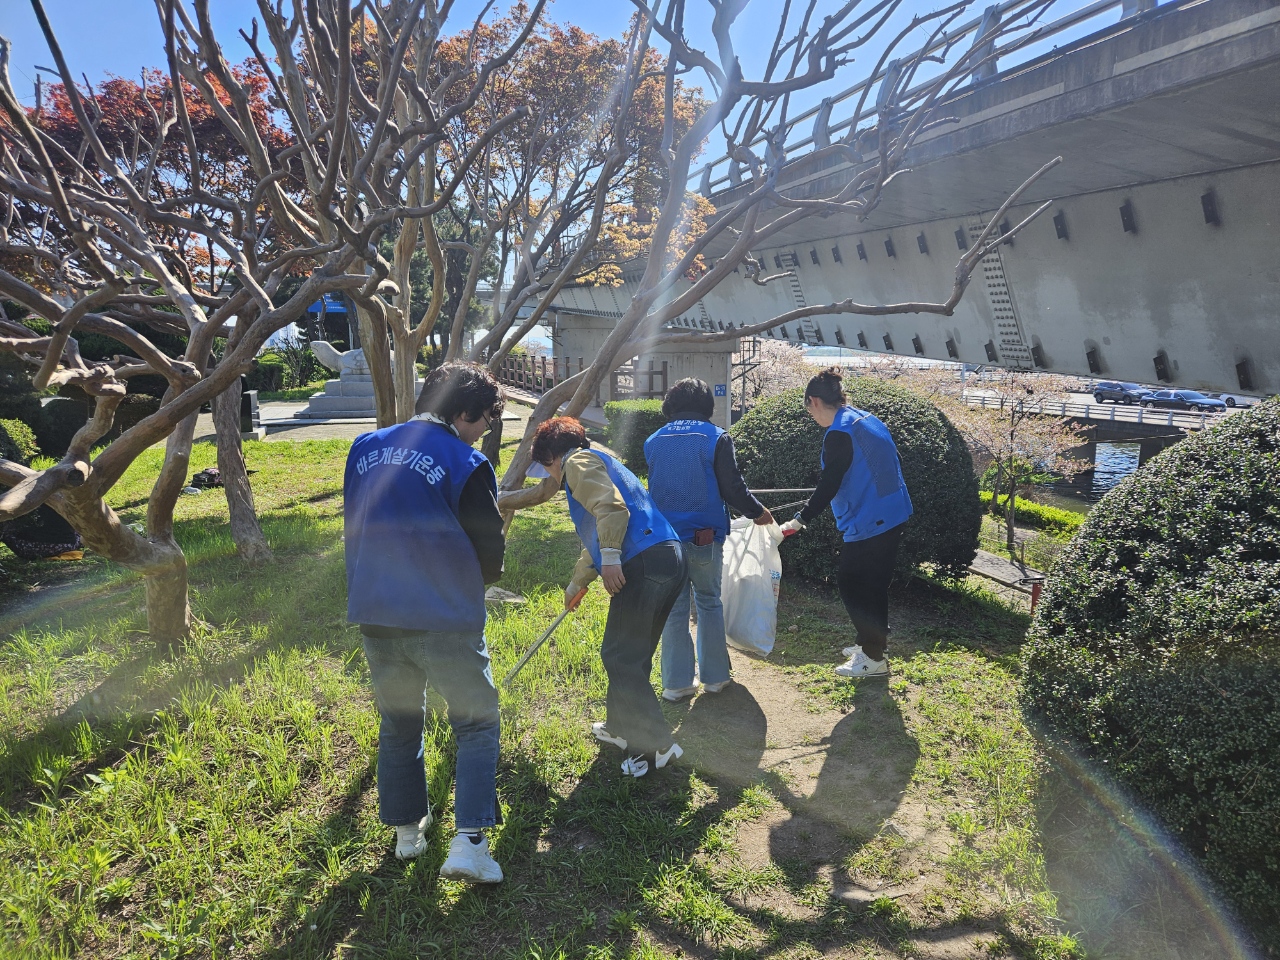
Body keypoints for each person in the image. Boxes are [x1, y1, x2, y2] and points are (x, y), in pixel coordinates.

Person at [344, 361, 507, 883]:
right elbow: (492, 552)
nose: (484, 428)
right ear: (463, 412)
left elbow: (353, 520)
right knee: (476, 722)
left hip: (375, 613)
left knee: (399, 721)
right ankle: (470, 843)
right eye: (483, 418)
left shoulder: (364, 449)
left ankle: (407, 833)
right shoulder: (465, 461)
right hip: (442, 617)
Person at [528, 417, 686, 777]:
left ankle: (656, 748)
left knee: (619, 657)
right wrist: (577, 583)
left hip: (642, 562)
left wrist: (613, 557)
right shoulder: (600, 460)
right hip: (667, 558)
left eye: (546, 466)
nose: (550, 475)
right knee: (633, 655)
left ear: (553, 455)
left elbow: (612, 510)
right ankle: (618, 729)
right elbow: (599, 533)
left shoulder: (576, 463)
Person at [644, 378, 774, 701]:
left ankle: (676, 684)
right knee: (708, 602)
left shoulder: (653, 441)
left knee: (674, 610)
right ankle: (715, 678)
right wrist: (757, 511)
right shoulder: (715, 438)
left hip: (664, 542)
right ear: (707, 406)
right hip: (705, 540)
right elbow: (732, 488)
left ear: (670, 405)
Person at [780, 368, 913, 679]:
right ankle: (871, 643)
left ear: (813, 401)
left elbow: (829, 484)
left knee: (851, 582)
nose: (811, 416)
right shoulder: (864, 418)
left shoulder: (839, 434)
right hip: (894, 510)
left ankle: (873, 656)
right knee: (873, 584)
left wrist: (800, 521)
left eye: (808, 409)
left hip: (872, 519)